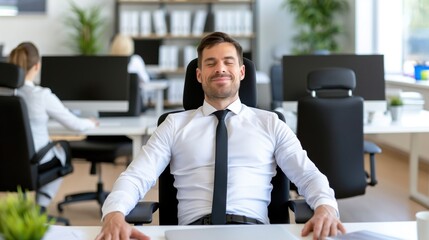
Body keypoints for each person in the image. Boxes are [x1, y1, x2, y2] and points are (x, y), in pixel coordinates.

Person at [96, 32, 346, 240]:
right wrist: (114, 213)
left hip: (255, 232)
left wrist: (325, 207)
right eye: (211, 63)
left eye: (228, 62)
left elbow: (308, 174)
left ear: (241, 72)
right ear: (199, 75)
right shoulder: (174, 125)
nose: (220, 69)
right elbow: (137, 176)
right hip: (192, 233)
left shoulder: (270, 123)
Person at [8, 42, 99, 211]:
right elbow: (75, 125)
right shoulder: (41, 96)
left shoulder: (3, 95)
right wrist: (90, 122)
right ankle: (40, 207)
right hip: (34, 163)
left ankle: (27, 209)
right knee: (62, 150)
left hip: (5, 165)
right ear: (37, 66)